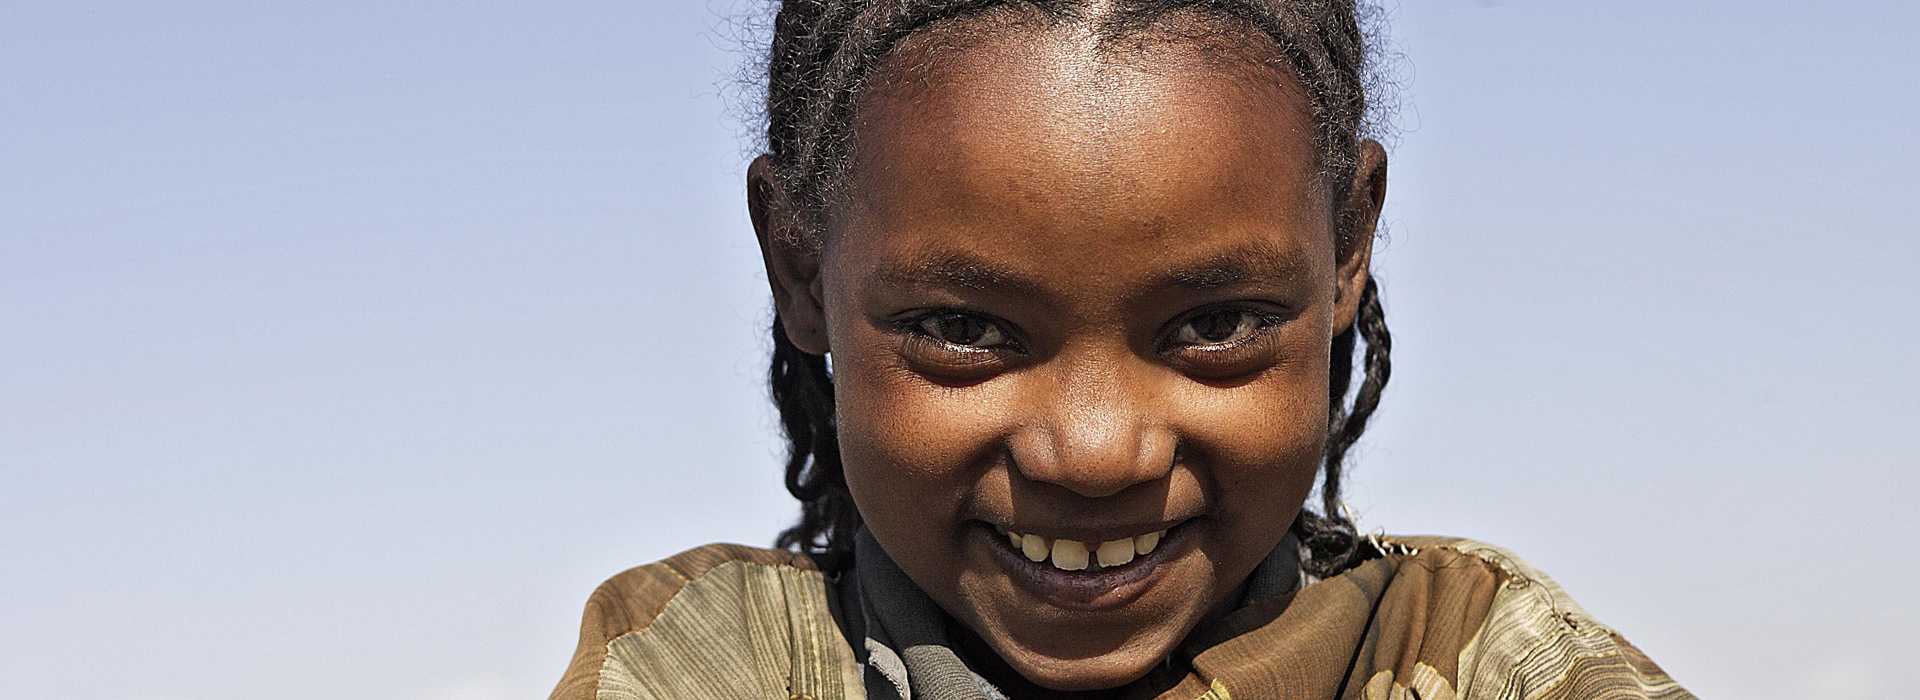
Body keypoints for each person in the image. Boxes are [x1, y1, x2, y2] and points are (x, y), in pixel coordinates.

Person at [553, 1, 1691, 697]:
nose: (1094, 451)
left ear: (1347, 245)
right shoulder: (714, 665)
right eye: (963, 330)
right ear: (801, 268)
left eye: (1213, 325)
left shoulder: (1477, 656)